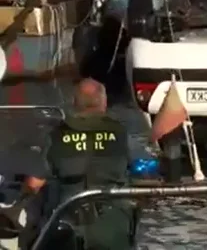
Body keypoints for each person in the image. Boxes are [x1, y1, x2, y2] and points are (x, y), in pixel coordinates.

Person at [0, 78, 137, 249]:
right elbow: (143, 170)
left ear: (74, 102)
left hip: (69, 227)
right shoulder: (121, 134)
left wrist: (16, 205)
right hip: (113, 227)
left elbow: (34, 185)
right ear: (104, 102)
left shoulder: (55, 136)